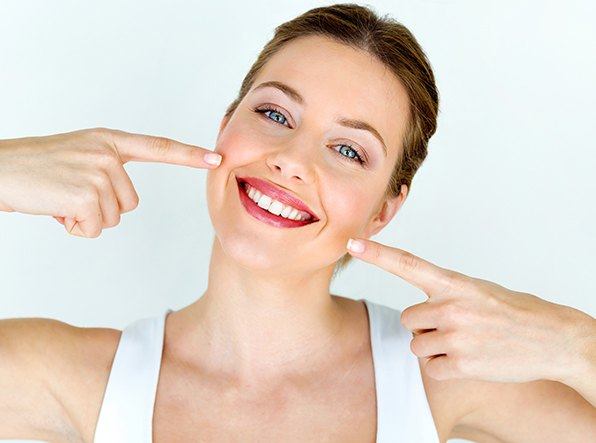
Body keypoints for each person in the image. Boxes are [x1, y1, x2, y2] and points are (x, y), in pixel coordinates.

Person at [1, 3, 594, 443]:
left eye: (348, 150)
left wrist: (577, 343)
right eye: (274, 113)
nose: (291, 159)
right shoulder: (77, 375)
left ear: (385, 208)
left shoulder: (438, 377)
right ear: (225, 125)